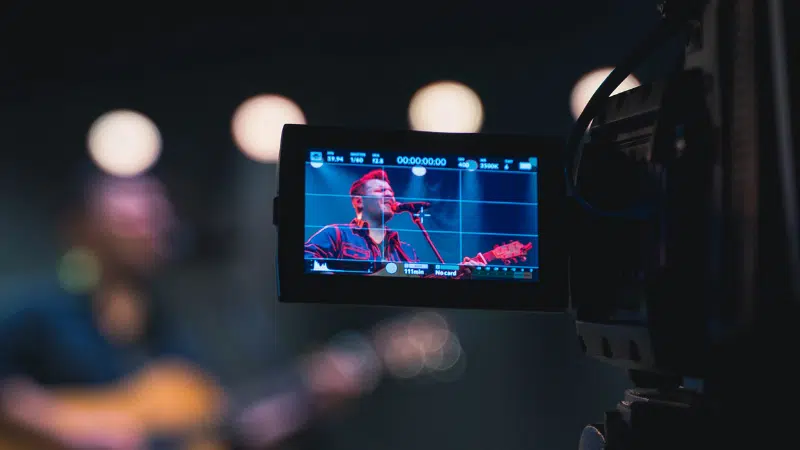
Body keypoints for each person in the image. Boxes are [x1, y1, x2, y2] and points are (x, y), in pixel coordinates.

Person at [0, 172, 434, 450]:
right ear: (85, 230)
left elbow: (228, 427)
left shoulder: (179, 322)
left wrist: (309, 399)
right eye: (132, 221)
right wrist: (72, 432)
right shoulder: (42, 312)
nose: (152, 230)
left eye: (156, 219)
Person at [304, 169, 484, 275]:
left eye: (390, 191)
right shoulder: (336, 234)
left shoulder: (405, 252)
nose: (389, 194)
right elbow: (305, 260)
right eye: (380, 191)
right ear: (358, 201)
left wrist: (458, 271)